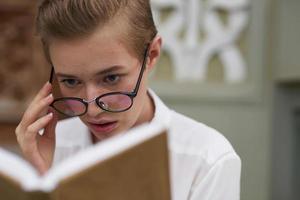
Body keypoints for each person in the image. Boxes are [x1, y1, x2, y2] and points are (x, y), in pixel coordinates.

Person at [15, 0, 241, 199]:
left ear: (151, 55)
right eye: (71, 82)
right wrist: (41, 181)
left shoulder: (207, 161)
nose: (92, 109)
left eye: (111, 78)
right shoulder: (52, 149)